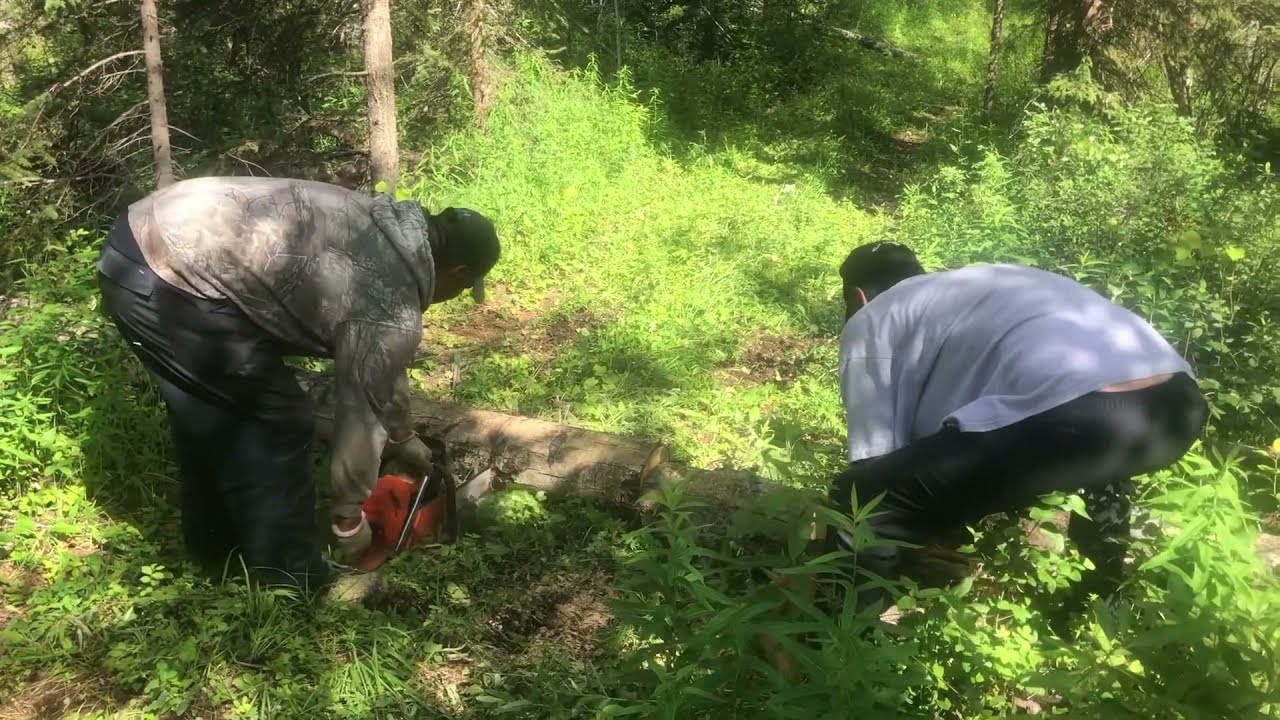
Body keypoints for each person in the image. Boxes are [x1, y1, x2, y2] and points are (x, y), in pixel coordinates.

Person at [95, 175, 501, 601]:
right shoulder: (391, 300)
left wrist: (403, 436)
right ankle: (299, 580)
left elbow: (381, 366)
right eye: (462, 289)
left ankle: (218, 554)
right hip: (170, 274)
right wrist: (348, 519)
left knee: (216, 412)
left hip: (149, 236)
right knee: (276, 420)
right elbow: (361, 414)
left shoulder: (389, 229)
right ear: (457, 273)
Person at [829, 241, 1208, 624]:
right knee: (1095, 459)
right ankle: (1095, 611)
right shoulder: (974, 289)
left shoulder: (873, 316)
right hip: (1177, 407)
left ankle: (840, 641)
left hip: (1080, 413)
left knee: (863, 498)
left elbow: (874, 467)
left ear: (860, 297)